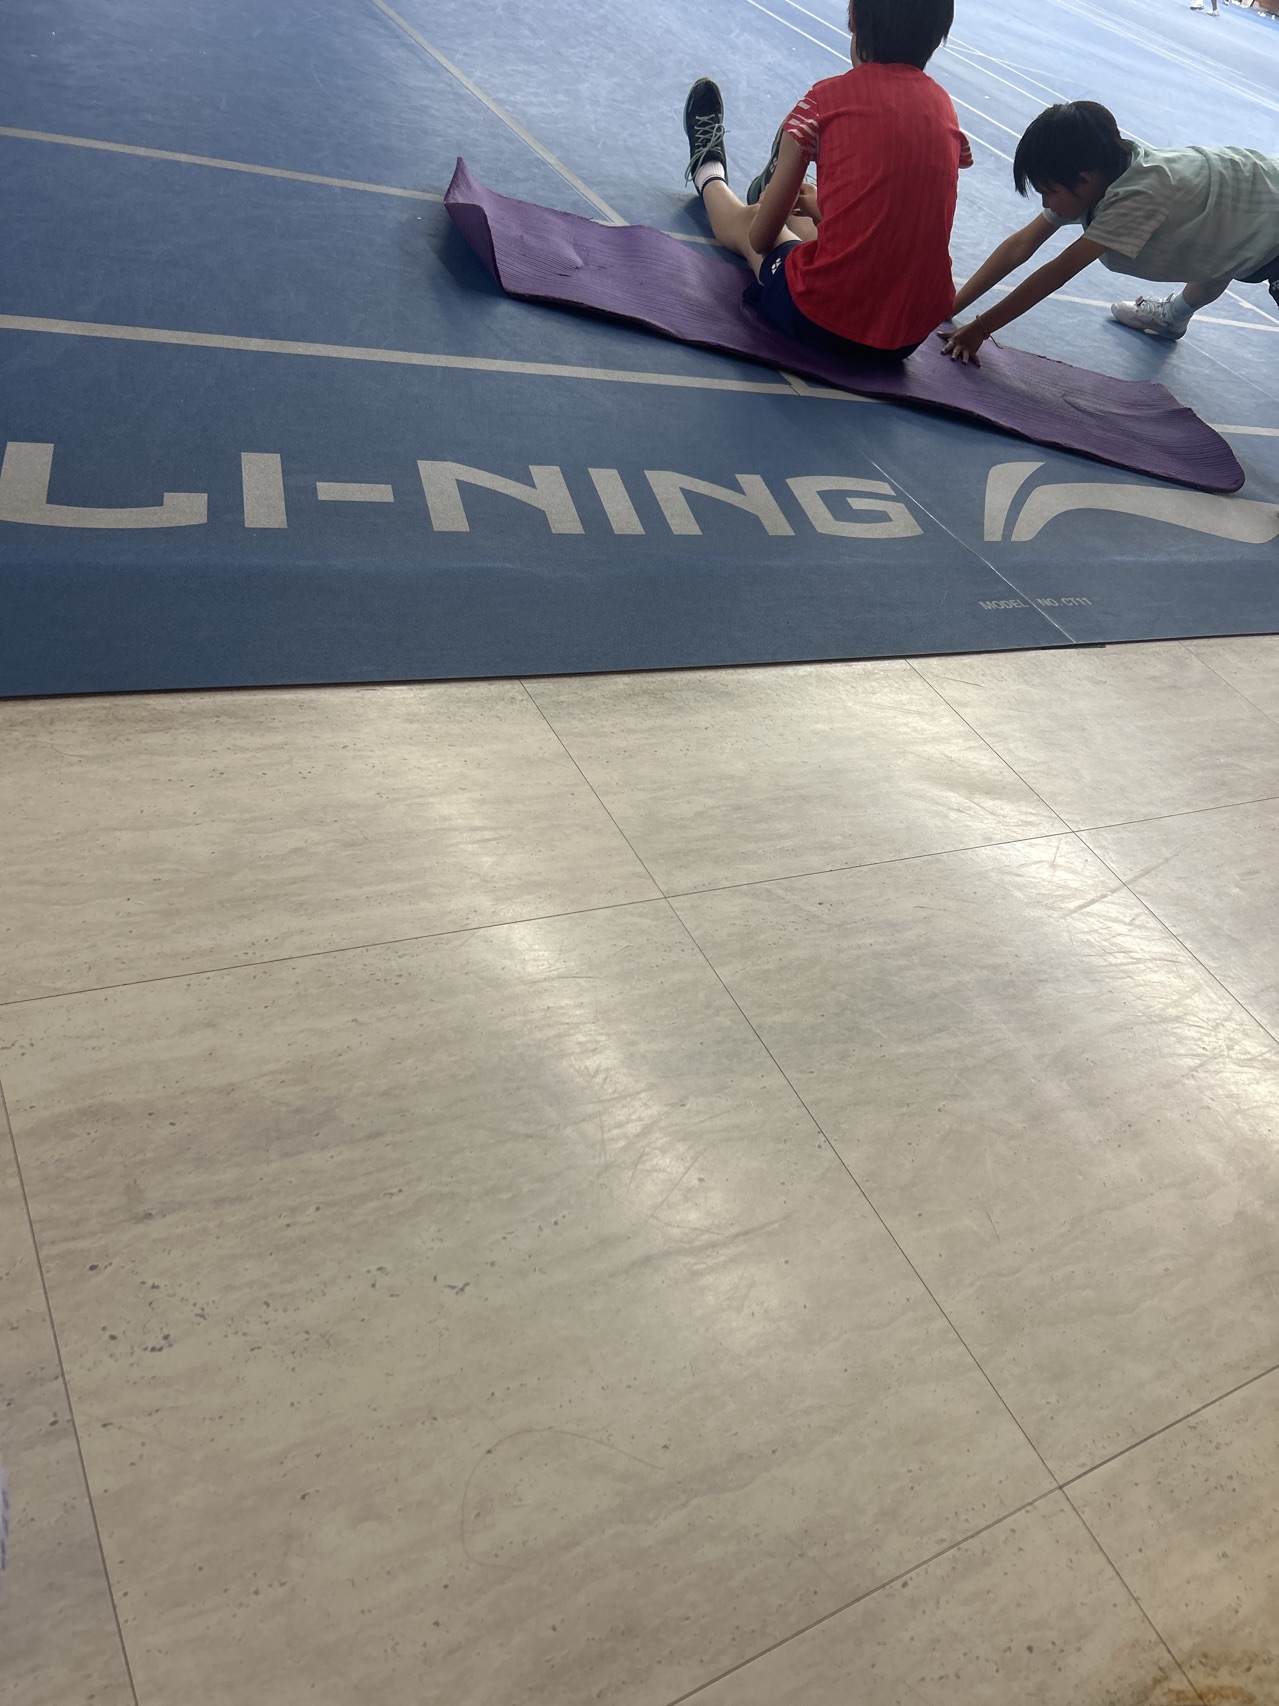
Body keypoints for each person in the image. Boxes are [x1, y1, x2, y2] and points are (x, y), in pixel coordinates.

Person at [682, 0, 969, 364]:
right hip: (907, 338)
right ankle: (782, 190)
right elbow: (898, 217)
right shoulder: (946, 110)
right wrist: (816, 206)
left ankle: (709, 170)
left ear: (854, 22)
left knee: (752, 222)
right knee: (821, 221)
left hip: (820, 319)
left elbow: (761, 239)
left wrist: (772, 211)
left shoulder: (825, 100)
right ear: (937, 36)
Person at [943, 101, 1279, 363]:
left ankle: (1174, 314)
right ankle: (1174, 316)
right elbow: (1022, 244)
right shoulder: (1100, 171)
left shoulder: (1139, 196)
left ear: (1084, 179)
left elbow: (1058, 271)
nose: (1045, 202)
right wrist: (950, 307)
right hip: (1242, 204)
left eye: (1048, 191)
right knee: (1219, 247)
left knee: (1233, 242)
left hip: (1269, 215)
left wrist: (981, 329)